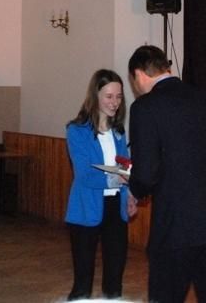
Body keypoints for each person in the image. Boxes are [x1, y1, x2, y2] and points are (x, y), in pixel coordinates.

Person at [127, 45, 206, 303]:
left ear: (139, 74)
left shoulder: (145, 107)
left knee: (166, 296)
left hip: (175, 227)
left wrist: (134, 190)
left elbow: (146, 172)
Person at [65, 69, 137, 301]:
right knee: (83, 282)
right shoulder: (76, 130)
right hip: (86, 208)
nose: (115, 102)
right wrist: (118, 178)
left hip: (115, 208)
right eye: (109, 96)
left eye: (119, 96)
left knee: (115, 278)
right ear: (95, 96)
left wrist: (130, 195)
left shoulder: (119, 132)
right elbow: (85, 175)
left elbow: (124, 167)